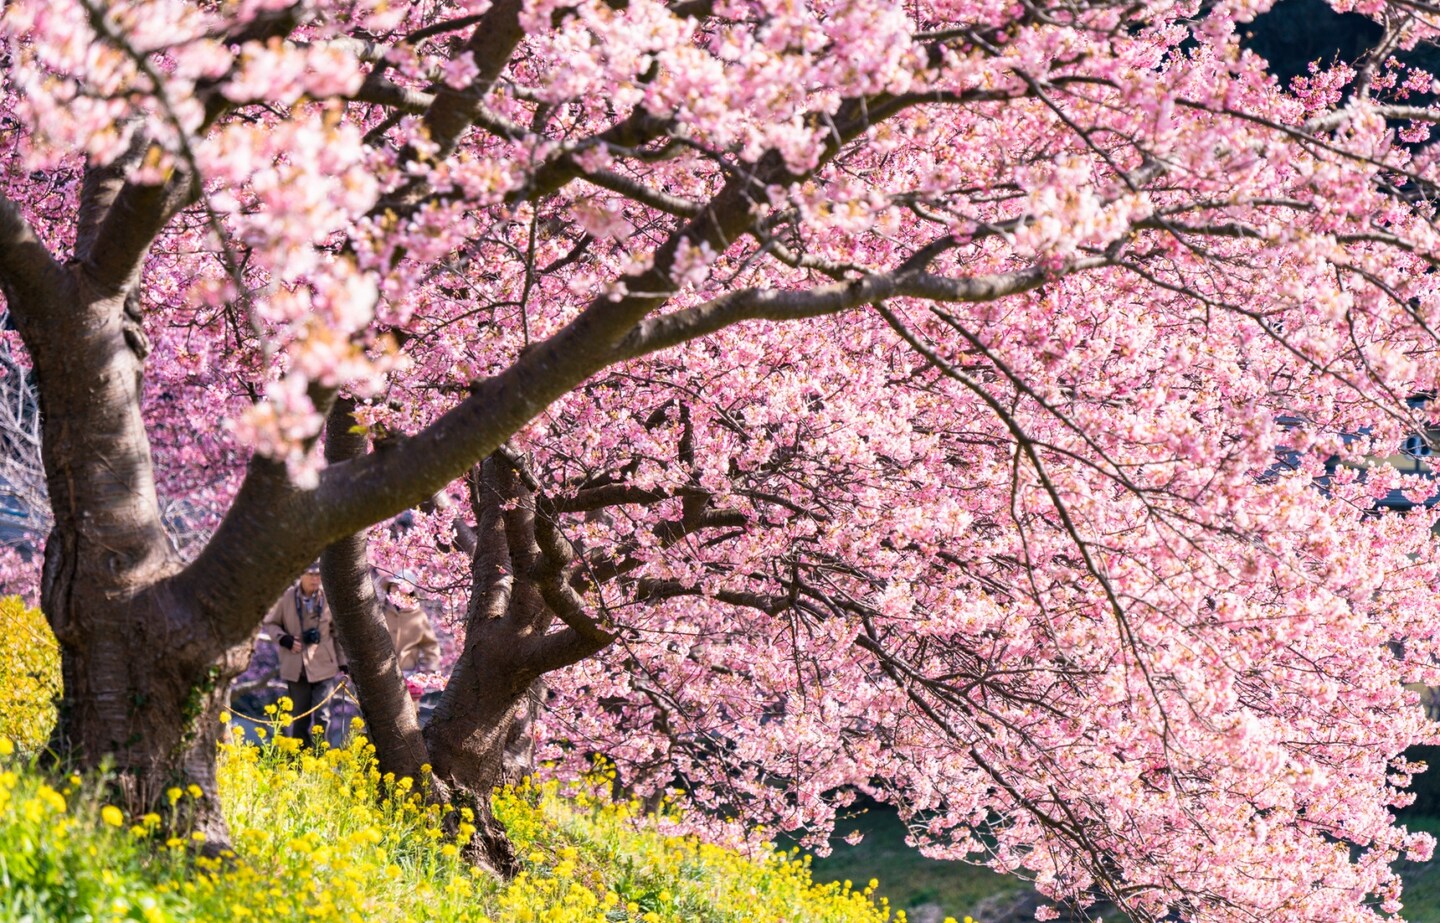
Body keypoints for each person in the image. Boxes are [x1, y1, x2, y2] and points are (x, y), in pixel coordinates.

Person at [262, 563, 347, 743]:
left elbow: (337, 633)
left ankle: (321, 756)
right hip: (296, 666)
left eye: (318, 575)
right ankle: (301, 761)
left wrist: (343, 663)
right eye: (311, 574)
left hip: (324, 665)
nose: (315, 579)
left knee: (323, 716)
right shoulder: (287, 597)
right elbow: (271, 623)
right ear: (301, 575)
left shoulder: (328, 597)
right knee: (300, 718)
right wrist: (284, 639)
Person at [378, 575, 442, 675]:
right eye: (394, 585)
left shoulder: (419, 616)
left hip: (408, 670)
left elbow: (430, 644)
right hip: (378, 669)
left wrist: (430, 668)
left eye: (401, 587)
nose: (396, 590)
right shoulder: (379, 612)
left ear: (410, 591)